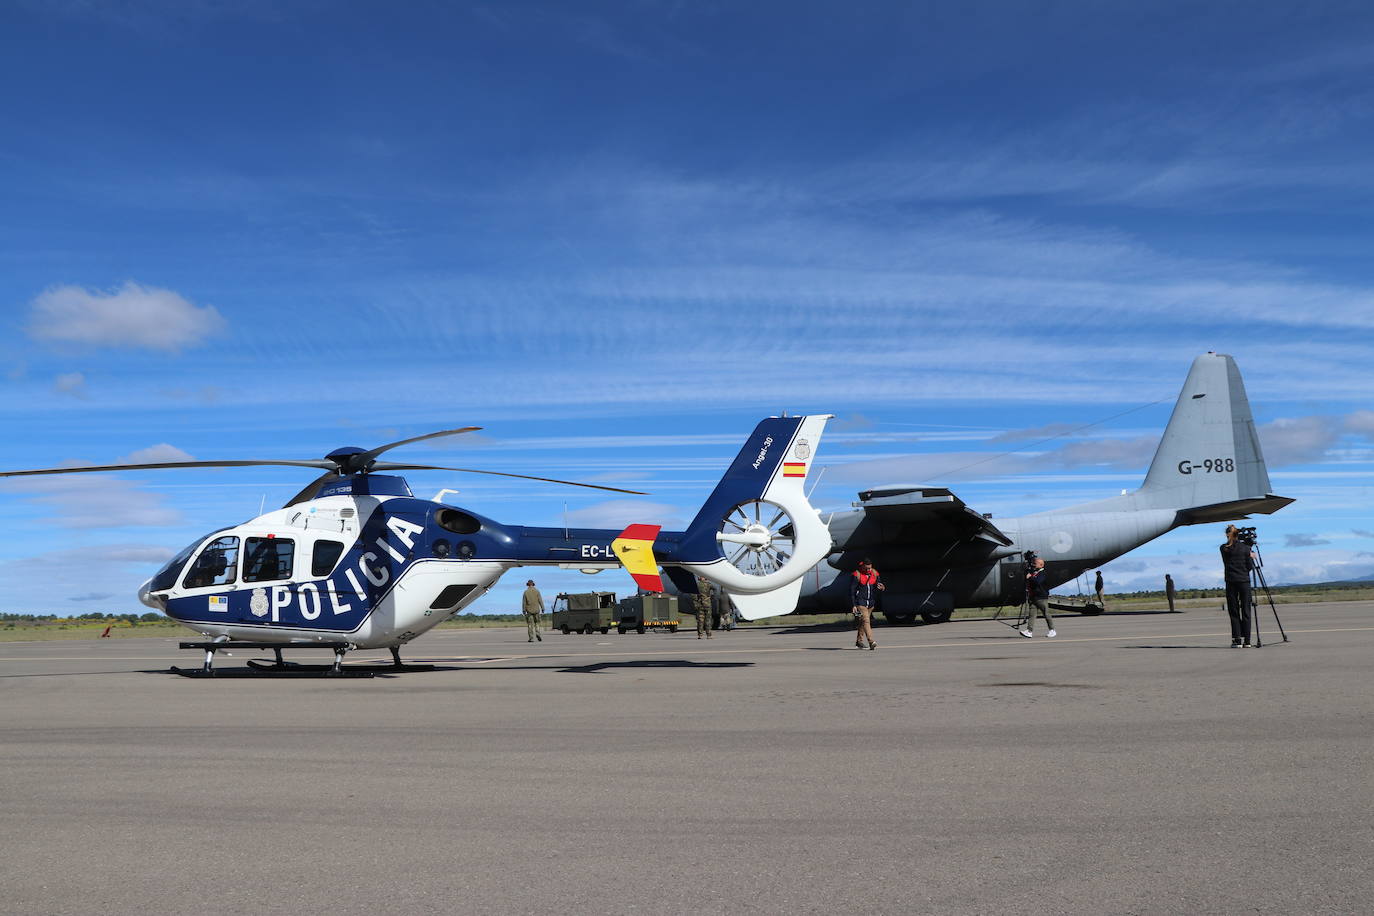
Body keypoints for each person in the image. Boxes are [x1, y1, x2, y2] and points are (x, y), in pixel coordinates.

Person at [1220, 525, 1256, 647]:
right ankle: (1247, 640)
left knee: (1234, 611)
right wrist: (1250, 554)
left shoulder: (1223, 548)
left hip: (1231, 581)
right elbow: (1250, 567)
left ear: (1227, 535)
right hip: (1244, 581)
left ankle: (1236, 639)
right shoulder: (1245, 548)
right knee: (1246, 610)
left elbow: (1226, 561)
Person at [850, 558, 883, 650]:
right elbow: (852, 591)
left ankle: (859, 642)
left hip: (870, 603)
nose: (869, 570)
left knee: (862, 622)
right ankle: (871, 641)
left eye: (870, 568)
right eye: (867, 568)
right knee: (866, 620)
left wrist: (881, 587)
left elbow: (878, 584)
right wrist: (853, 605)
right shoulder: (857, 575)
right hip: (860, 603)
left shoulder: (875, 573)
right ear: (863, 566)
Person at [1021, 556, 1056, 638]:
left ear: (1041, 565)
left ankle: (1052, 630)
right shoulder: (1035, 573)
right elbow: (1030, 581)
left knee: (1046, 613)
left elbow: (1037, 582)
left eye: (1035, 563)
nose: (1034, 565)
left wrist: (1030, 577)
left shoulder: (1043, 573)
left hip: (1041, 597)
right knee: (1032, 615)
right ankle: (1029, 631)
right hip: (1034, 597)